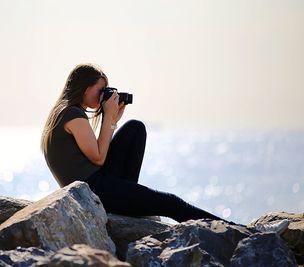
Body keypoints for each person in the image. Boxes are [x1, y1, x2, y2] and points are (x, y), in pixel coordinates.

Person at [41, 63, 289, 232]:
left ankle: (130, 195)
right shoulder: (73, 114)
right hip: (97, 190)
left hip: (100, 185)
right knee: (171, 203)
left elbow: (98, 158)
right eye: (100, 90)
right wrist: (107, 119)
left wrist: (113, 120)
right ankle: (245, 232)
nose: (104, 96)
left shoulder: (64, 114)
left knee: (135, 128)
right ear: (84, 88)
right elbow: (97, 158)